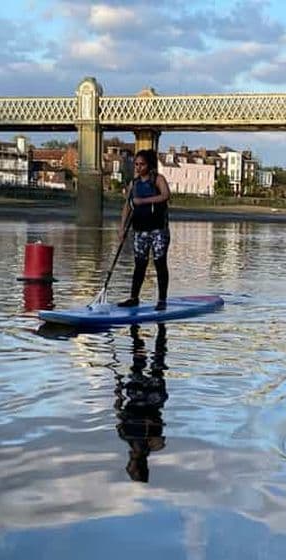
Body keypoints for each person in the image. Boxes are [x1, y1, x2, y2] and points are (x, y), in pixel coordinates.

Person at [118, 149, 172, 311]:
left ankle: (162, 300)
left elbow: (166, 195)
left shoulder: (158, 179)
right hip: (139, 230)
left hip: (158, 230)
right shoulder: (133, 184)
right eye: (136, 164)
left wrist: (143, 201)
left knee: (159, 263)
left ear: (149, 165)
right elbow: (127, 206)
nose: (138, 167)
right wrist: (121, 229)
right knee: (139, 265)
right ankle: (134, 298)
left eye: (142, 164)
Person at [115, 323, 169, 482]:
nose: (128, 464)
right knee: (156, 362)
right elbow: (159, 425)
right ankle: (160, 328)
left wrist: (118, 389)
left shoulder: (126, 436)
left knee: (139, 363)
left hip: (138, 398)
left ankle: (137, 329)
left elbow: (119, 411)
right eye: (130, 467)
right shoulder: (155, 444)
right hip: (151, 401)